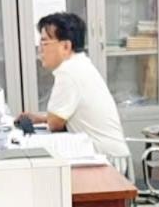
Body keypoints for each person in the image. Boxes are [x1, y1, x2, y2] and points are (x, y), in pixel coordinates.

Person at [18, 12, 131, 167]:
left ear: (66, 46)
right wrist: (41, 118)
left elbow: (55, 124)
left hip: (106, 161)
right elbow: (60, 117)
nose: (40, 50)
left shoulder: (68, 72)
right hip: (109, 155)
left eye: (44, 43)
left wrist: (45, 119)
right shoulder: (79, 65)